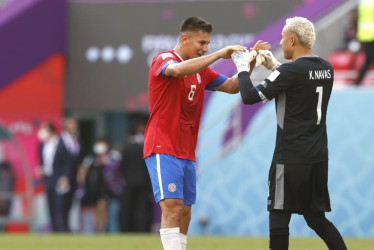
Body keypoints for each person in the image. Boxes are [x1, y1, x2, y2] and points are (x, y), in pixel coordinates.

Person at [143, 16, 270, 250]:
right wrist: (220, 54)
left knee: (185, 213)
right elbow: (177, 70)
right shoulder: (164, 59)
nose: (205, 48)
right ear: (185, 38)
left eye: (208, 44)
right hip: (163, 146)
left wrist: (251, 62)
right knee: (172, 205)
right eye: (201, 43)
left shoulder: (201, 71)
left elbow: (232, 87)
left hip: (187, 150)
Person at [231, 16, 347, 250]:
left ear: (293, 39)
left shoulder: (290, 72)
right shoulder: (326, 68)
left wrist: (243, 68)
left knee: (278, 219)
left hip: (290, 157)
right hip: (317, 156)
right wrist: (275, 66)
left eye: (283, 39)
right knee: (316, 219)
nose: (281, 43)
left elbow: (249, 96)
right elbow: (298, 83)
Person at [37, 122, 70, 232]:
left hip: (59, 179)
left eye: (44, 130)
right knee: (50, 204)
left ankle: (63, 229)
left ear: (51, 131)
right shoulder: (42, 145)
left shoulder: (61, 143)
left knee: (60, 204)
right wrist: (41, 169)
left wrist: (64, 176)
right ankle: (54, 229)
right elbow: (42, 161)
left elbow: (66, 162)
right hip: (48, 178)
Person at [121, 123, 153, 232]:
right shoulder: (147, 145)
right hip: (143, 182)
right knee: (142, 208)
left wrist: (125, 178)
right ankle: (142, 229)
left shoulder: (127, 145)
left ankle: (127, 229)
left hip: (129, 182)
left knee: (128, 207)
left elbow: (123, 165)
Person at [60, 117, 83, 231]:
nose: (73, 126)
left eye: (74, 124)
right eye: (71, 124)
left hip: (73, 176)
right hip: (63, 177)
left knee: (70, 202)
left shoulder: (77, 139)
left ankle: (67, 227)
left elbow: (79, 158)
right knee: (61, 203)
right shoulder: (60, 140)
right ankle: (61, 227)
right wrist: (62, 175)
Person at [355, 0, 374, 85]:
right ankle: (358, 81)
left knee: (369, 59)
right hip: (370, 35)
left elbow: (358, 18)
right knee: (369, 59)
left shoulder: (363, 2)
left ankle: (358, 81)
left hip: (365, 35)